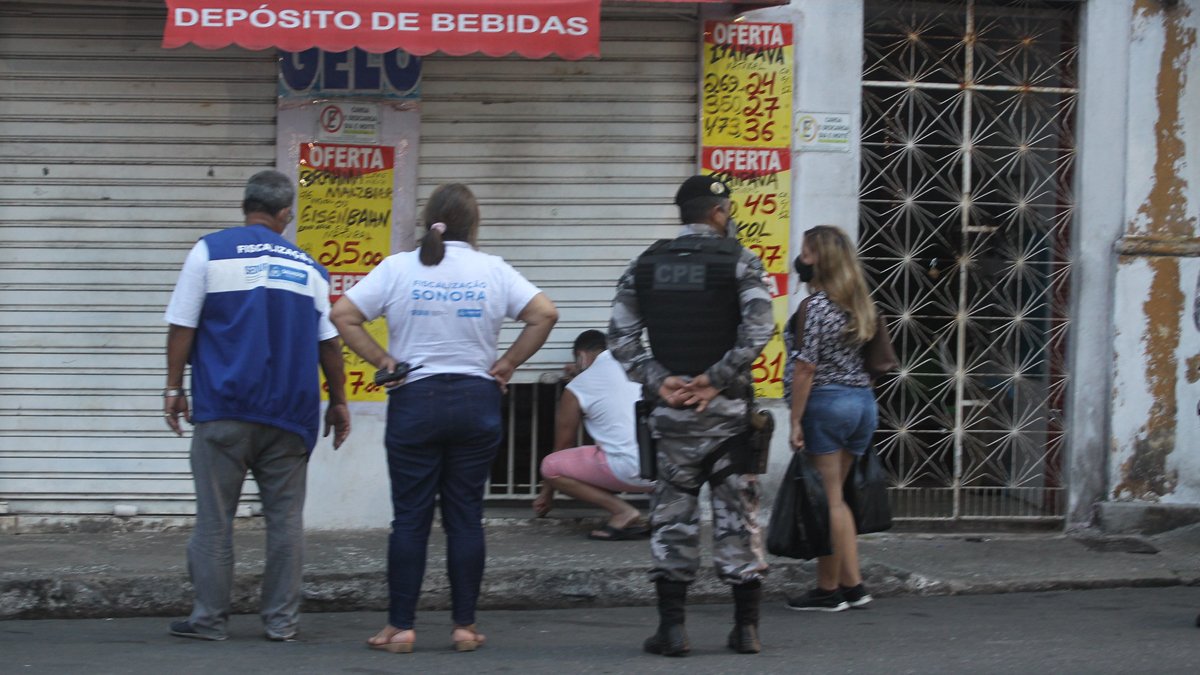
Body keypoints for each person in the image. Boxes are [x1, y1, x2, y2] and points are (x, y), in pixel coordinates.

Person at [331, 183, 558, 654]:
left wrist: (385, 361)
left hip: (416, 400)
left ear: (427, 221)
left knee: (410, 520)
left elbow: (343, 314)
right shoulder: (492, 270)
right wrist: (508, 363)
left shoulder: (398, 268)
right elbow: (544, 313)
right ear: (473, 225)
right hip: (477, 402)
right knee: (465, 519)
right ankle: (464, 627)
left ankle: (400, 628)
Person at [162, 169, 351, 642]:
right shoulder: (309, 268)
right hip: (289, 416)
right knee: (285, 522)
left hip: (223, 409)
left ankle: (208, 620)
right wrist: (339, 403)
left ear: (246, 206)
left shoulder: (209, 250)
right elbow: (329, 345)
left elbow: (182, 326)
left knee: (215, 520)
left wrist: (173, 389)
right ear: (286, 213)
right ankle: (281, 623)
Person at [608, 175, 774, 656]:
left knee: (672, 520)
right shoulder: (741, 262)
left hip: (672, 418)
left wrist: (659, 379)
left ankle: (673, 631)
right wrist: (715, 379)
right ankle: (746, 631)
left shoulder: (645, 264)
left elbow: (620, 338)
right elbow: (760, 328)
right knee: (739, 520)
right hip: (727, 419)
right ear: (719, 213)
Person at [783, 225, 880, 613]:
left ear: (818, 258)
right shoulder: (858, 303)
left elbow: (806, 368)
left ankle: (834, 588)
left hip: (827, 404)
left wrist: (794, 420)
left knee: (831, 500)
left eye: (805, 253)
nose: (800, 260)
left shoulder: (817, 307)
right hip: (861, 403)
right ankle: (848, 586)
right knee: (838, 499)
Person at [533, 329, 655, 540]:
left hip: (628, 470)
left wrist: (547, 493)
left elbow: (563, 443)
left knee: (551, 466)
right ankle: (660, 514)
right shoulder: (641, 368)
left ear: (581, 356)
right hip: (666, 471)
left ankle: (622, 511)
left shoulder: (578, 386)